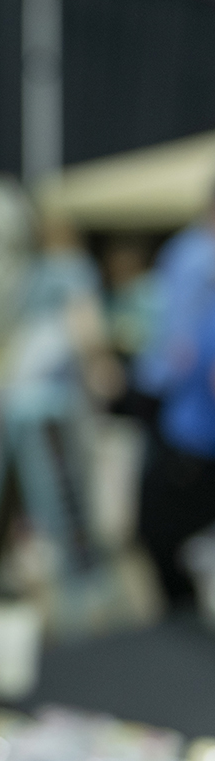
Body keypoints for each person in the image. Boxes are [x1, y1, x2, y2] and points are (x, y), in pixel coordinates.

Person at [134, 189, 215, 604]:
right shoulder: (192, 256)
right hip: (189, 424)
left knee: (161, 534)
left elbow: (173, 353)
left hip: (190, 433)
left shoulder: (192, 256)